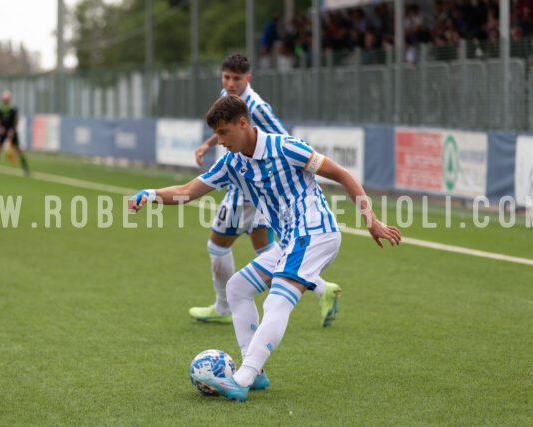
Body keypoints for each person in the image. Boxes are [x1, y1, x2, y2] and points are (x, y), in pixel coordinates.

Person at [129, 95, 401, 401]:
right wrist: (150, 194)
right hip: (289, 240)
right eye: (216, 134)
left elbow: (342, 174)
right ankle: (255, 374)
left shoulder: (285, 147)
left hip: (315, 232)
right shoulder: (232, 163)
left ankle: (241, 378)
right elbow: (187, 191)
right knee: (237, 289)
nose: (218, 141)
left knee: (276, 302)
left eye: (223, 132)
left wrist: (371, 220)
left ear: (242, 123)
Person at [190, 54, 342, 327]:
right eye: (226, 77)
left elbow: (282, 140)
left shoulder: (257, 107)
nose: (231, 83)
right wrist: (208, 144)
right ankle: (322, 288)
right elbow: (227, 127)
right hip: (259, 193)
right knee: (269, 251)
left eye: (237, 78)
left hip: (248, 189)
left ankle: (223, 306)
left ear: (248, 79)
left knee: (217, 244)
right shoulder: (228, 98)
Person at [0, 90, 30, 176]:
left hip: (12, 131)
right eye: (4, 99)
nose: (5, 101)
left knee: (18, 149)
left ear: (9, 100)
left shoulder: (13, 110)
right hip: (3, 132)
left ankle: (26, 169)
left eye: (7, 99)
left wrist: (13, 130)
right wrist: (0, 128)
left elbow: (16, 121)